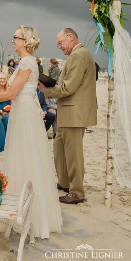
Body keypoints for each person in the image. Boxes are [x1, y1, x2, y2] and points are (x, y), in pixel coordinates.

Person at [0, 25, 62, 239]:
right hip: (22, 110)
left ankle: (31, 214)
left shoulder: (27, 62)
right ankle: (19, 207)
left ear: (25, 41)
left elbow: (11, 92)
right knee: (23, 155)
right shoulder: (24, 62)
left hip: (25, 112)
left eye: (15, 37)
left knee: (26, 156)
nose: (12, 40)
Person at [38, 28, 97, 204]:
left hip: (74, 113)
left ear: (70, 37)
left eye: (60, 43)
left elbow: (68, 87)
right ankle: (64, 183)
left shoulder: (79, 55)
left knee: (74, 154)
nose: (60, 47)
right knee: (59, 148)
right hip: (67, 113)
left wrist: (46, 90)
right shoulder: (77, 55)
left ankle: (77, 192)